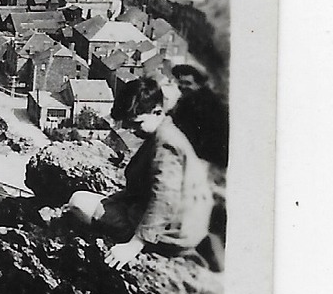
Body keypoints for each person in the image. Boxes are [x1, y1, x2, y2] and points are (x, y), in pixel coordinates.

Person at [41, 76, 215, 270]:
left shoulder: (165, 144)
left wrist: (134, 245)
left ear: (158, 111)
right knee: (86, 199)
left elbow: (165, 198)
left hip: (172, 234)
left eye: (137, 123)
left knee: (78, 203)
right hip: (180, 226)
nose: (131, 130)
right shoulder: (167, 131)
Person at [169, 63, 229, 170]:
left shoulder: (207, 106)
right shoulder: (186, 101)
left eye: (188, 83)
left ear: (200, 84)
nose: (182, 87)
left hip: (205, 164)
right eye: (180, 82)